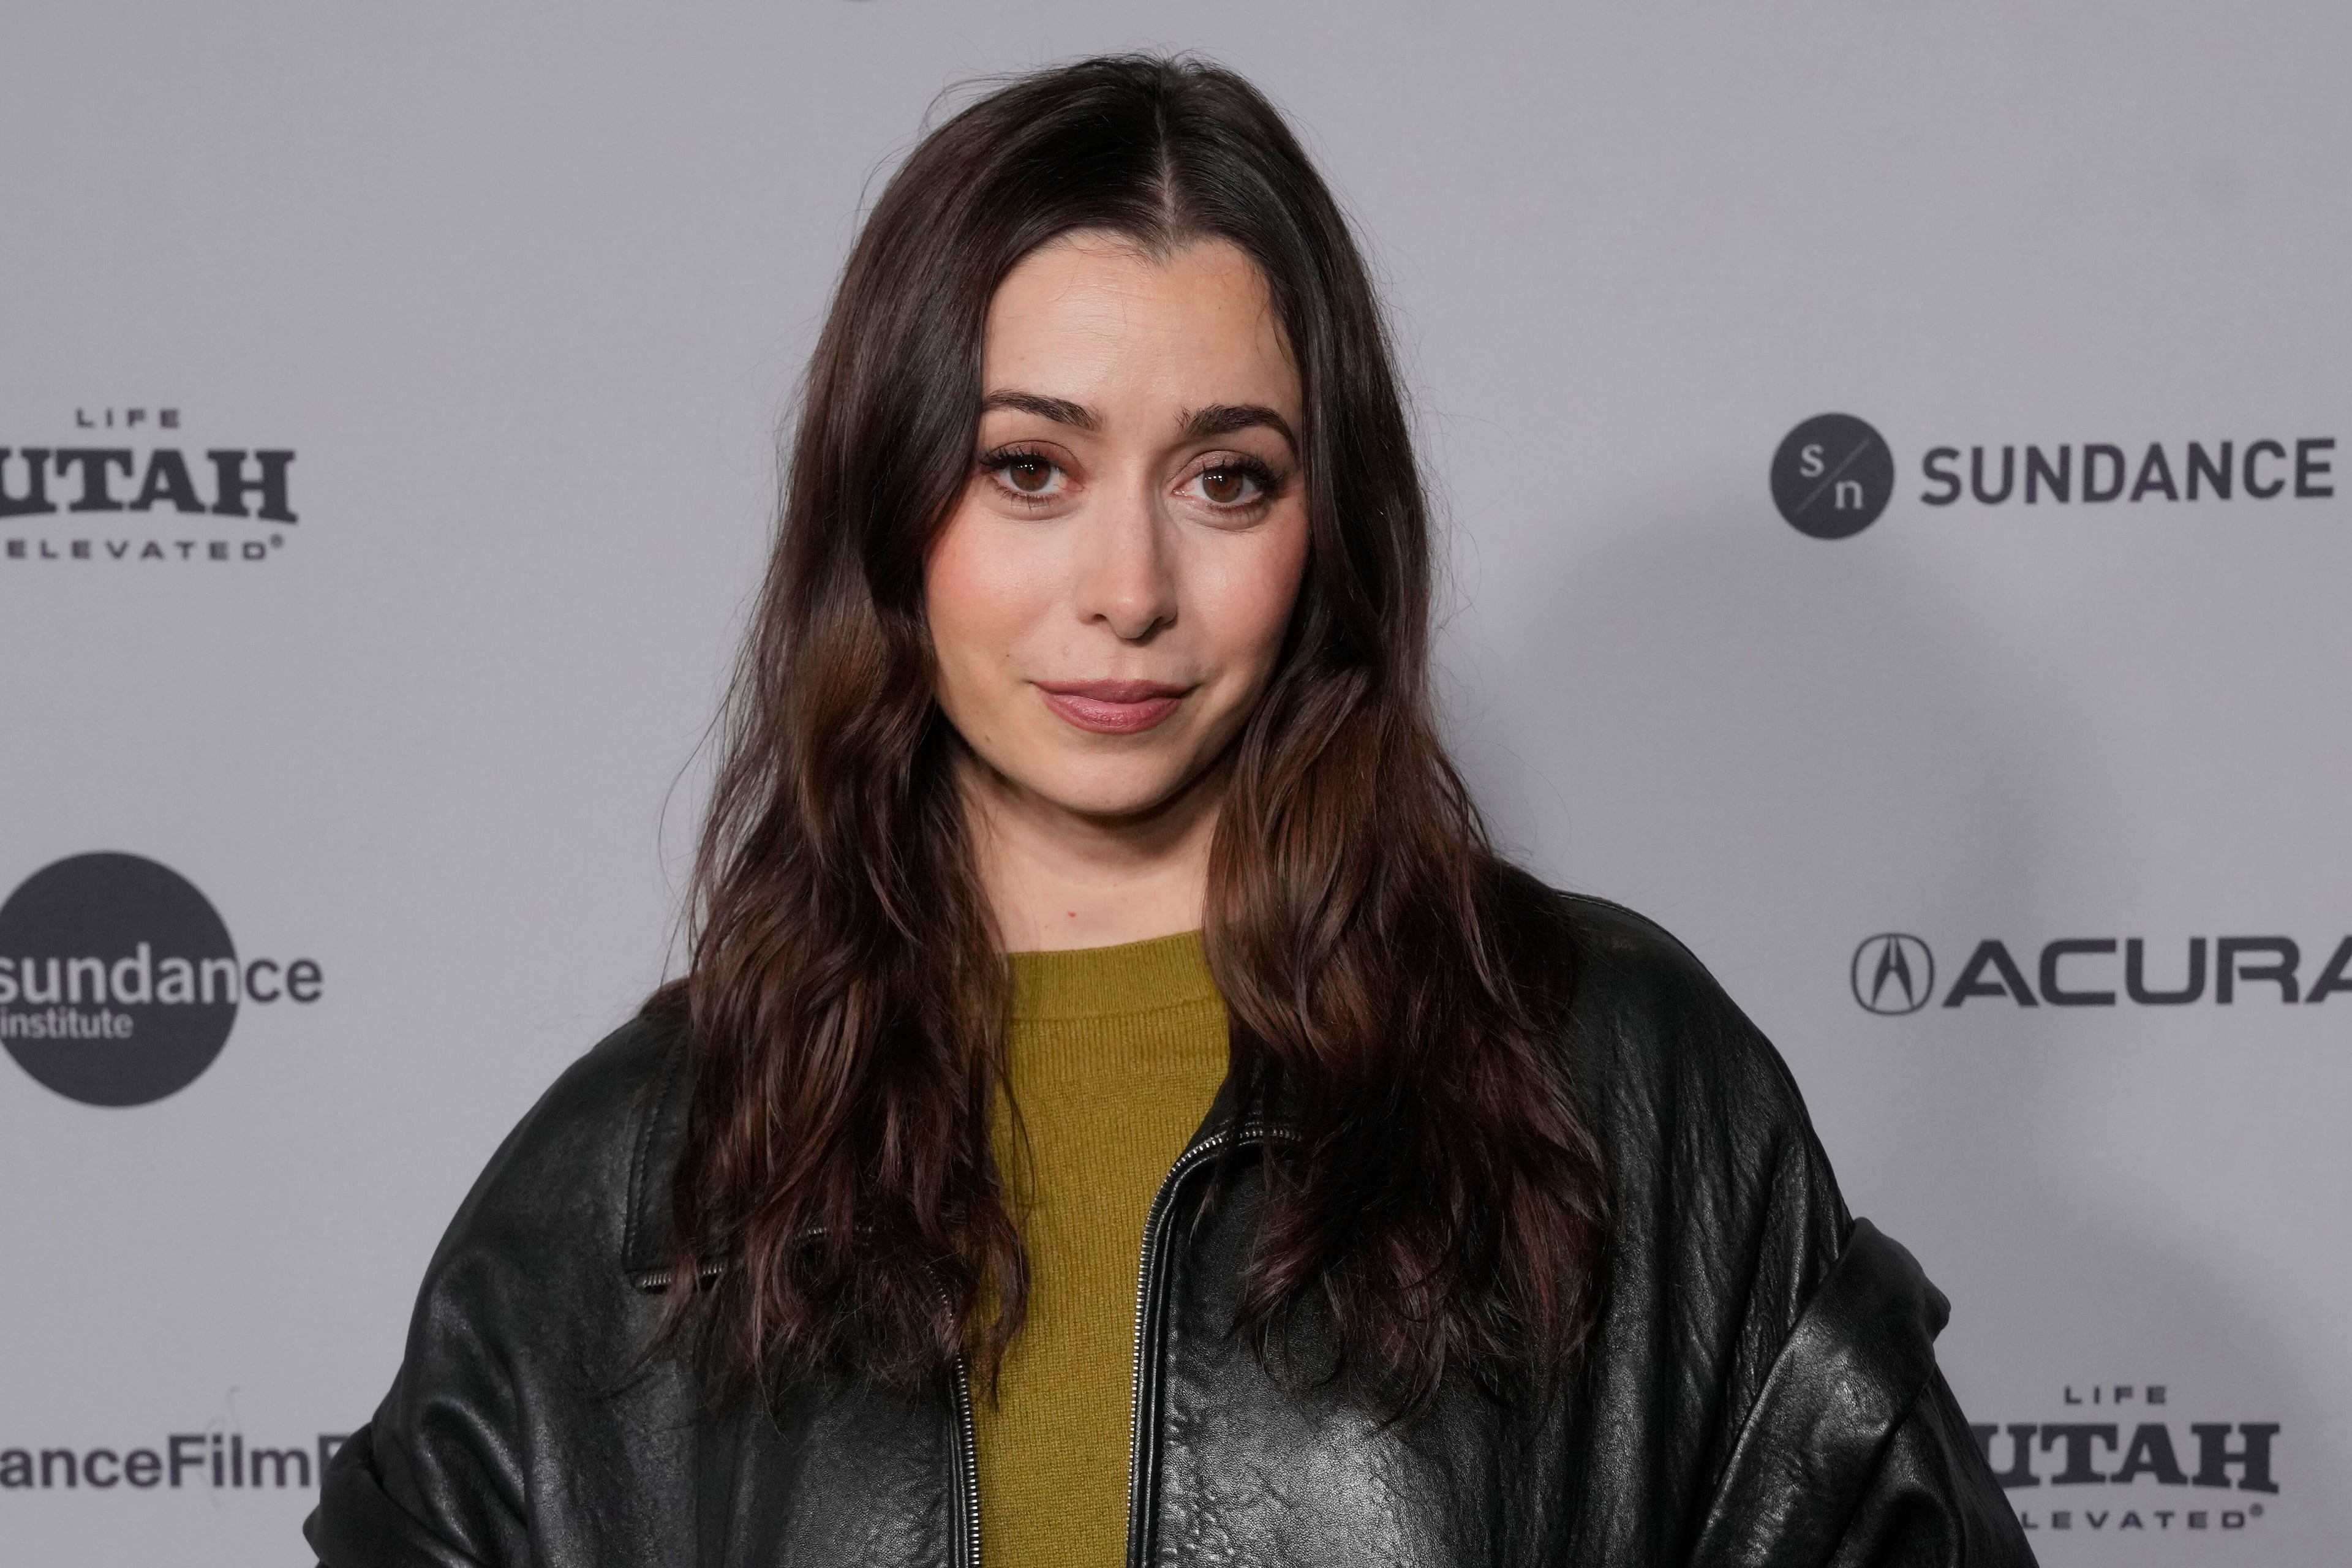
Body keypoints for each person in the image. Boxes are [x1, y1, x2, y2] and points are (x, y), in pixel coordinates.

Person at [307, 55, 2032, 1568]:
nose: (1128, 588)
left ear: (1325, 532)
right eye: (1030, 469)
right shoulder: (630, 1180)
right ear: (892, 508)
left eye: (1226, 478)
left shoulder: (1619, 1092)